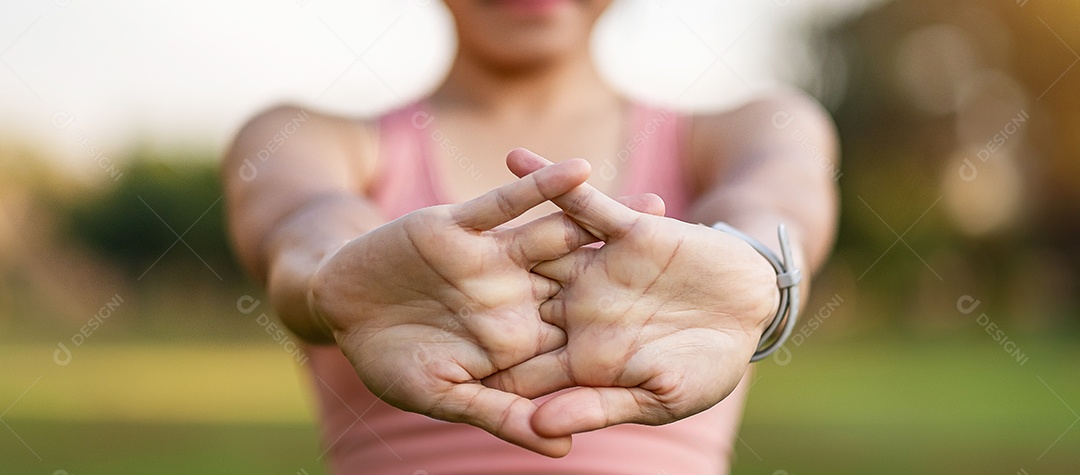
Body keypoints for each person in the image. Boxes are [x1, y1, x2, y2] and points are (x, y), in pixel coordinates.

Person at [223, 1, 838, 473]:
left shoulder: (751, 128)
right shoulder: (305, 136)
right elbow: (305, 229)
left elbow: (775, 204)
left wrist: (758, 272)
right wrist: (337, 276)